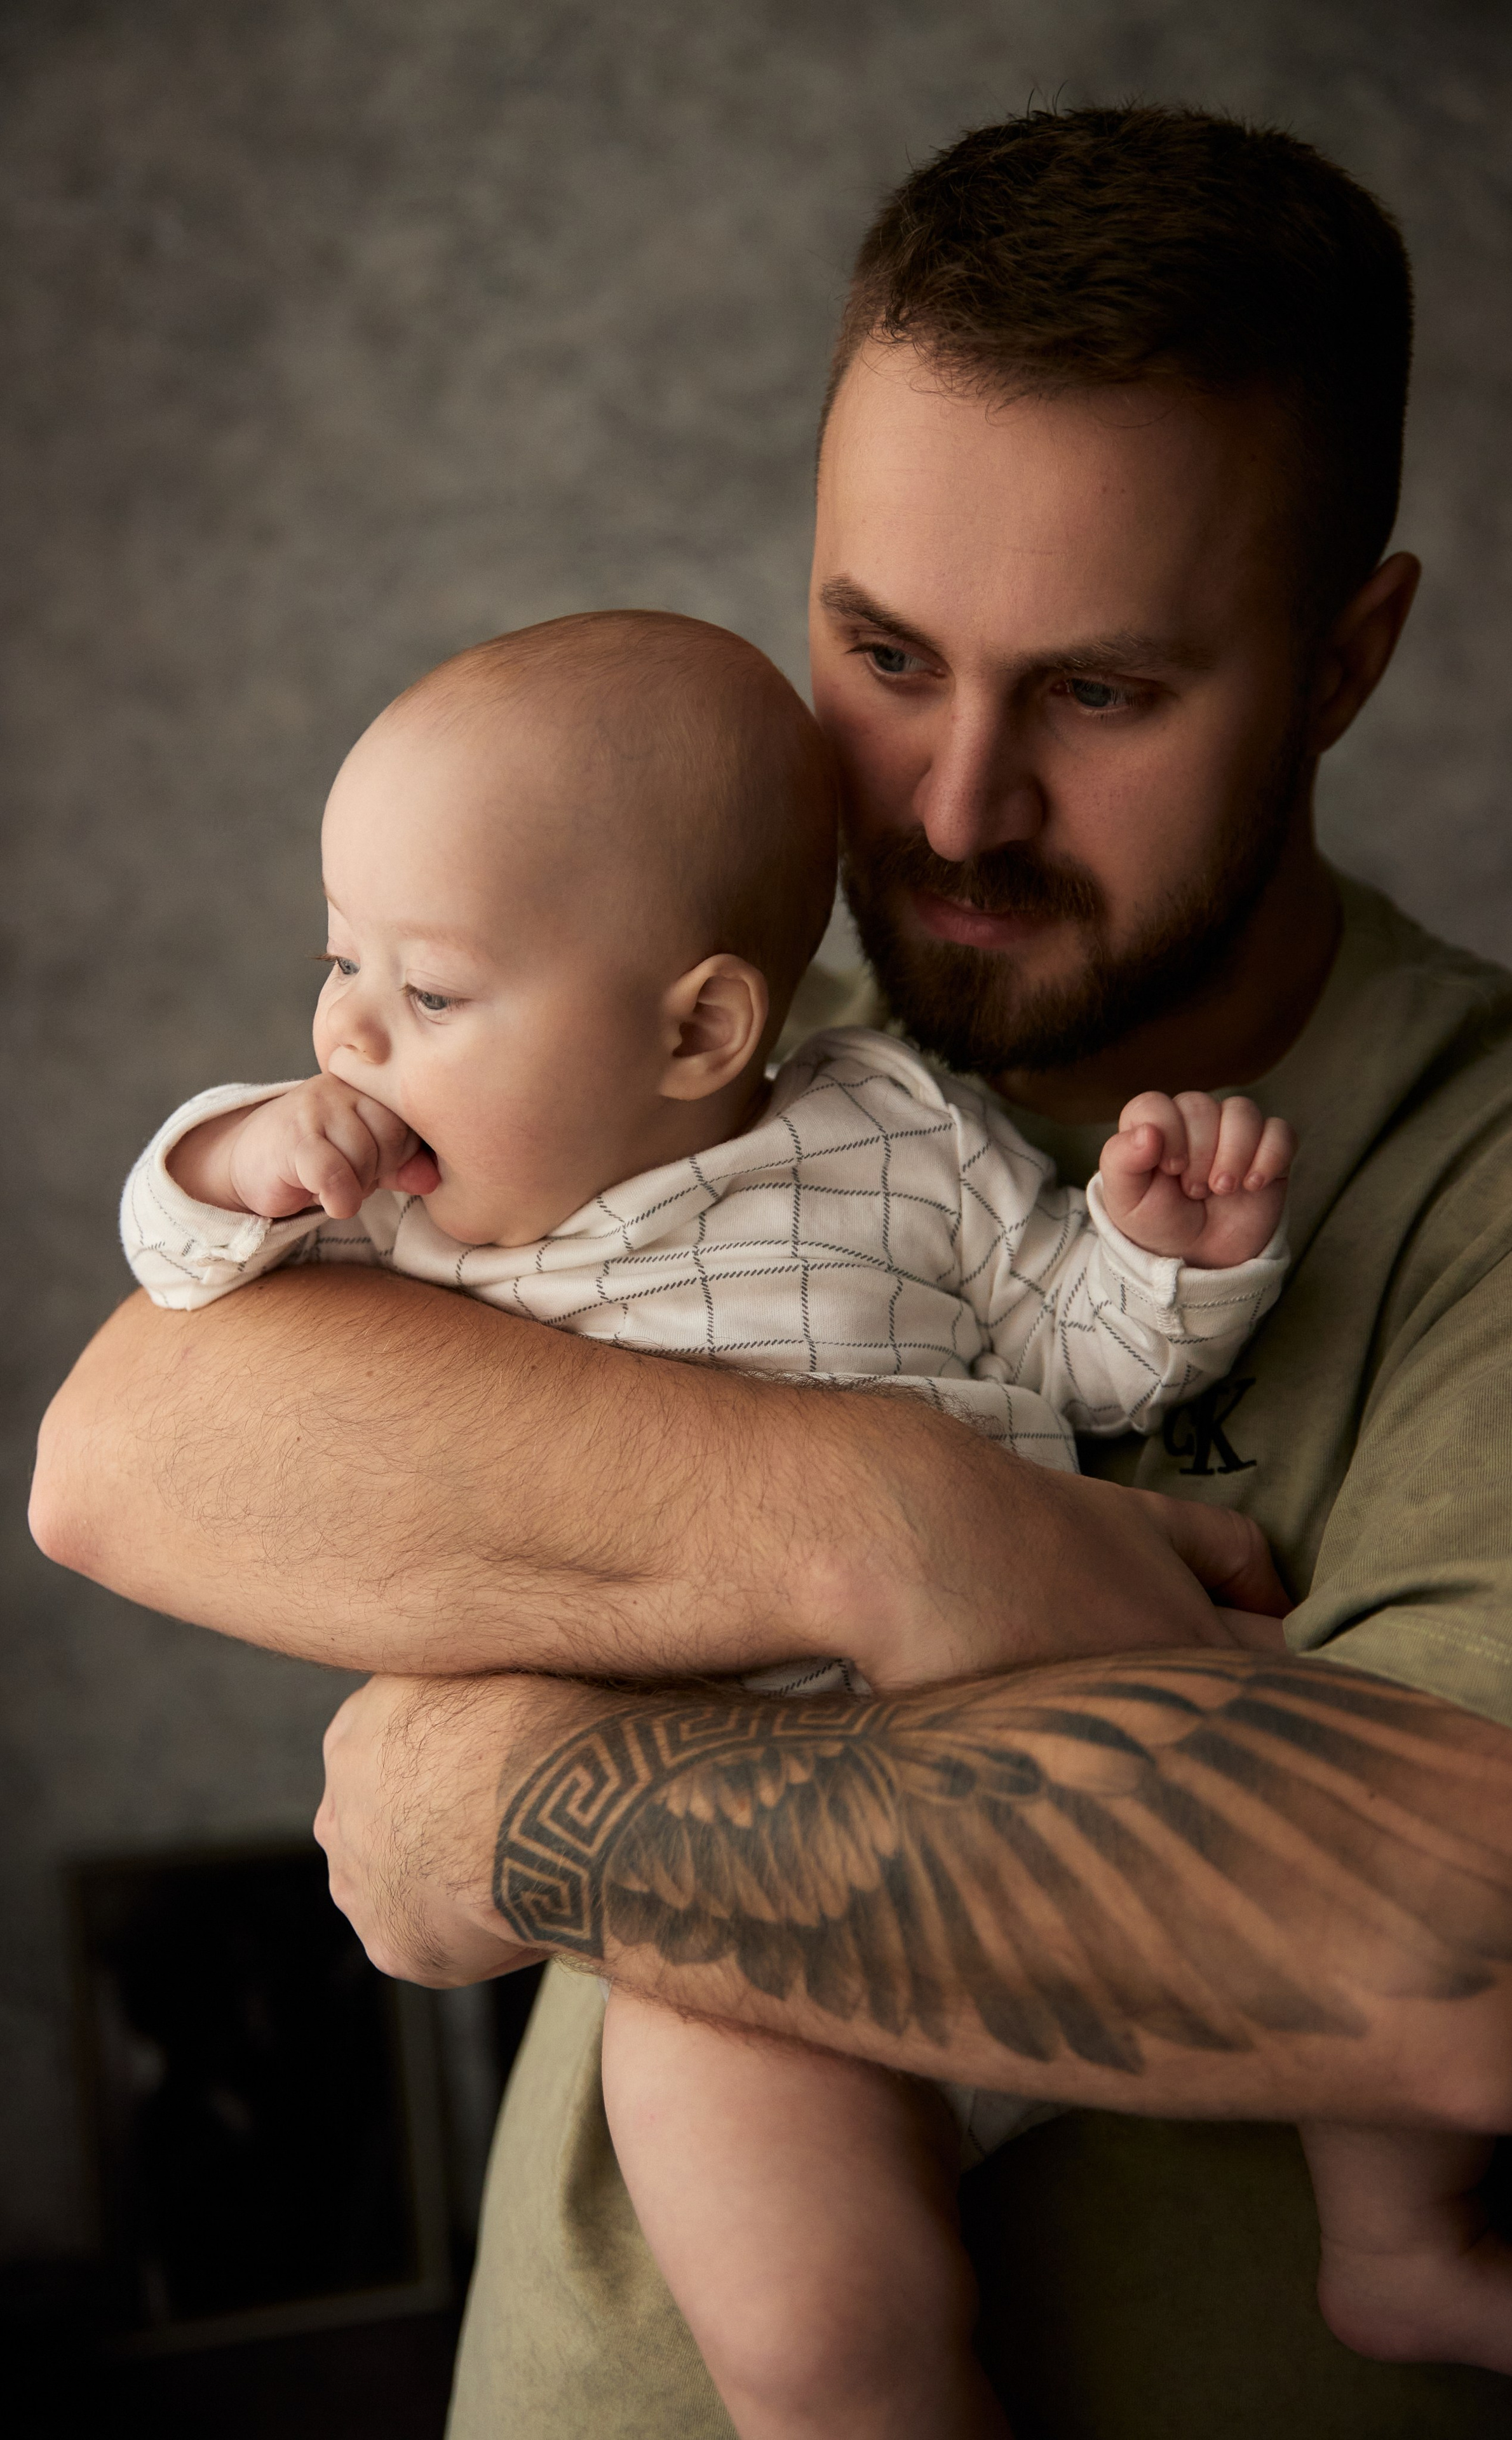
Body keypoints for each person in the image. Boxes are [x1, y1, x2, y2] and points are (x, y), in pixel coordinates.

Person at [29, 105, 1512, 2436]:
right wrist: (901, 1525)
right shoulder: (667, 1052)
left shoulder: (1474, 1166)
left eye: (1102, 692)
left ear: (1343, 663)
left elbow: (1457, 1940)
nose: (948, 807)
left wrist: (499, 1769)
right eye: (885, 652)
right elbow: (126, 1451)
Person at [114, 605, 1297, 2439]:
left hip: (1021, 1752)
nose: (349, 1027)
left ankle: (1405, 2229)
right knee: (813, 2311)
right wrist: (230, 1154)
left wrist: (1165, 1253)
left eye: (427, 992)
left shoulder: (895, 1126)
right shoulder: (412, 1215)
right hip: (722, 1875)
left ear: (703, 1026)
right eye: (340, 961)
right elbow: (177, 1291)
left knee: (1313, 1854)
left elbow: (1083, 1349)